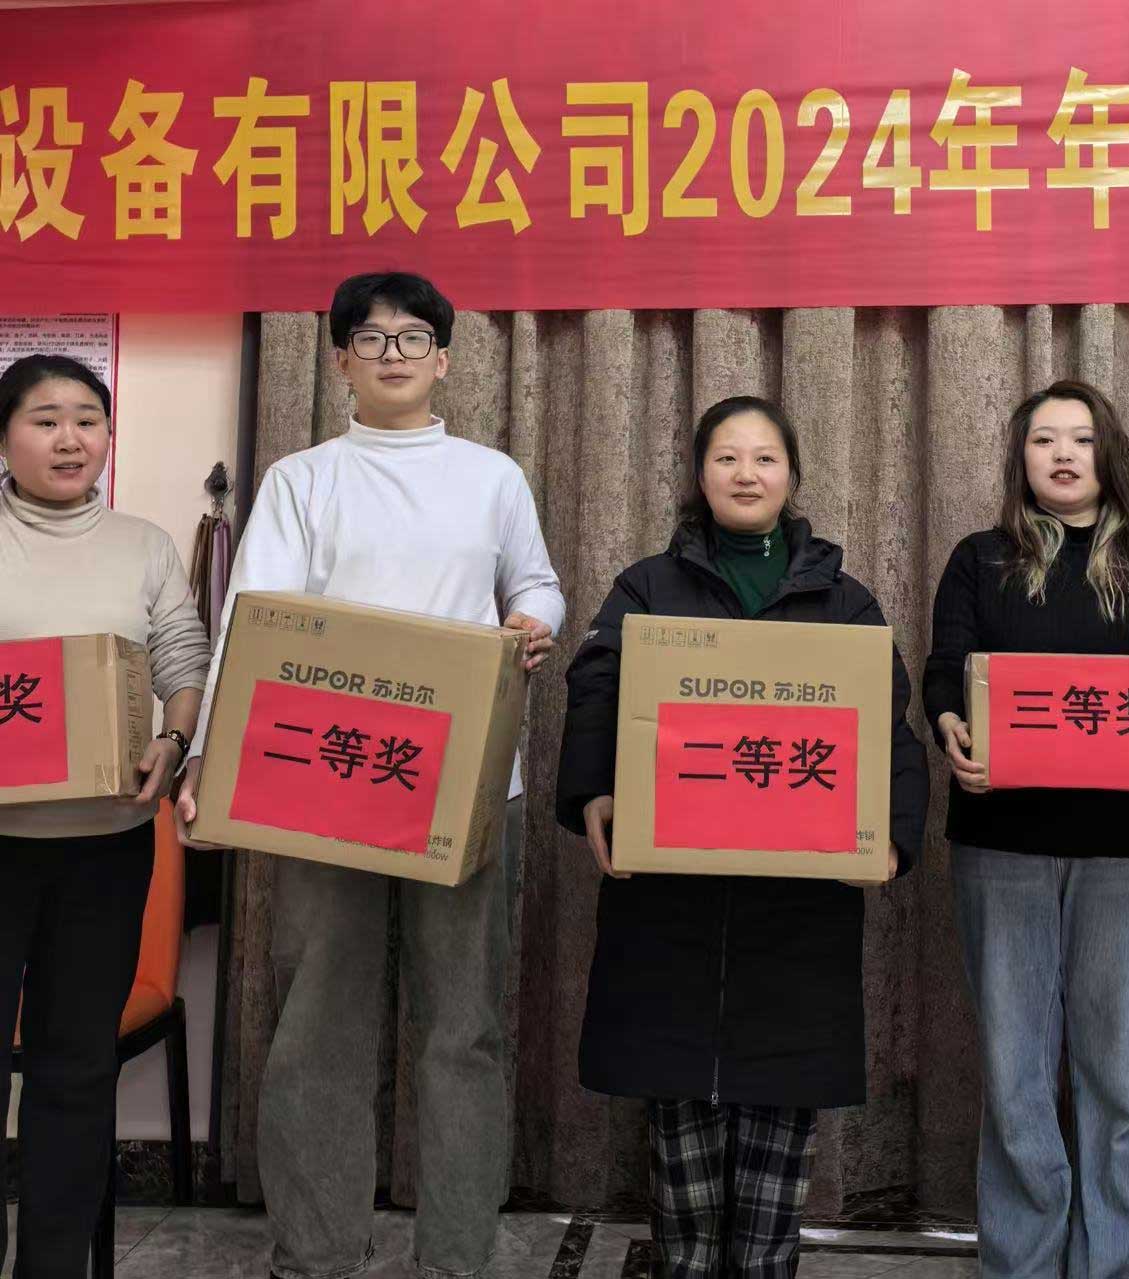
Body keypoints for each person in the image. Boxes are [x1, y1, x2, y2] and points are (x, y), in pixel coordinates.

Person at [175, 272, 565, 1279]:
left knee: (463, 1028)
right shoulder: (302, 479)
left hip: (465, 786)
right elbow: (250, 625)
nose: (394, 354)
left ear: (445, 359)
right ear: (341, 360)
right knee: (318, 1022)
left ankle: (456, 1256)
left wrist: (532, 621)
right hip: (322, 786)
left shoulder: (491, 477)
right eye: (372, 339)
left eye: (414, 337)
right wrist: (212, 757)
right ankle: (315, 1253)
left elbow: (535, 581)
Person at [555, 394, 929, 1279]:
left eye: (764, 458)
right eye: (726, 457)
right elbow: (597, 686)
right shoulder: (648, 586)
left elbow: (888, 724)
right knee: (680, 1158)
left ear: (792, 475)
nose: (746, 474)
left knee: (774, 1162)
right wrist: (594, 790)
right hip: (671, 908)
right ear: (700, 475)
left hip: (795, 916)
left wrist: (892, 837)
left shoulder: (843, 600)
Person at [921, 379, 1129, 1278]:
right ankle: (1021, 1261)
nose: (1061, 454)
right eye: (1042, 438)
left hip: (1125, 850)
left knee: (1117, 1074)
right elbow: (943, 669)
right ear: (1019, 457)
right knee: (1014, 1072)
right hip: (1000, 843)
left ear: (1107, 454)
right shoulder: (980, 559)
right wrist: (950, 726)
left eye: (1080, 439)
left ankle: (1112, 1263)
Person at [0, 354, 212, 1278]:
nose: (70, 438)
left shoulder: (143, 544)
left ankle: (54, 1265)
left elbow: (184, 657)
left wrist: (174, 740)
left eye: (88, 419)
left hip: (105, 848)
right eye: (45, 418)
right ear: (5, 436)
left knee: (76, 1067)